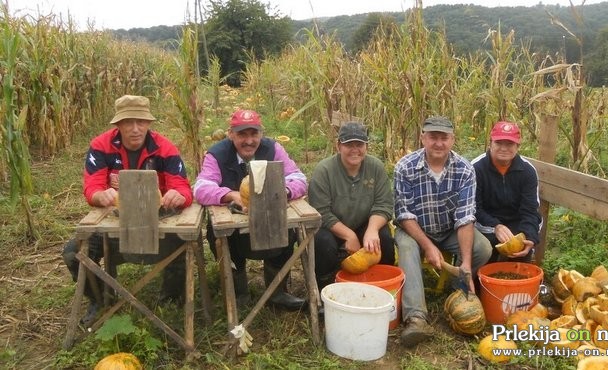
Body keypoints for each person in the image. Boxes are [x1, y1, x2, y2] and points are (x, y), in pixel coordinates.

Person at [62, 95, 193, 325]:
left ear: (148, 123)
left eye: (141, 122)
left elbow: (182, 186)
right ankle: (100, 298)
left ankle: (170, 299)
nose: (135, 129)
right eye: (128, 122)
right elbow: (92, 186)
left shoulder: (165, 148)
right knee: (74, 251)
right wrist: (99, 195)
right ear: (118, 124)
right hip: (115, 224)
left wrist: (178, 195)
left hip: (159, 224)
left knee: (183, 241)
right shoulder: (100, 146)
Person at [393, 116, 492, 347]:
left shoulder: (465, 170)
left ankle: (457, 293)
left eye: (443, 138)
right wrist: (428, 246)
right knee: (407, 248)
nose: (438, 143)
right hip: (413, 229)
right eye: (433, 137)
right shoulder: (405, 167)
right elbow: (404, 214)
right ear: (422, 138)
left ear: (452, 140)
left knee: (482, 248)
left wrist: (466, 262)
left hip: (448, 230)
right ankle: (416, 317)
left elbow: (465, 218)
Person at [193, 109, 307, 311]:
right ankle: (238, 291)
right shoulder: (217, 154)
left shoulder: (273, 149)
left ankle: (277, 291)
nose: (249, 141)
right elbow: (201, 188)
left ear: (261, 134)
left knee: (288, 230)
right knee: (217, 233)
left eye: (254, 134)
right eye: (242, 134)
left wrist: (283, 191)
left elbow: (298, 178)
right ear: (231, 134)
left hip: (270, 221)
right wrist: (232, 195)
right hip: (235, 227)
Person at [308, 122, 395, 293]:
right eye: (349, 144)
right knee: (322, 241)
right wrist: (349, 235)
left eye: (359, 144)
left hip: (364, 224)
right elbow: (322, 212)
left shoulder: (375, 167)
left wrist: (372, 230)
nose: (355, 149)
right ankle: (326, 288)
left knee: (383, 237)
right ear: (339, 145)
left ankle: (381, 286)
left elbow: (384, 204)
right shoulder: (324, 170)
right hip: (331, 228)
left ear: (366, 146)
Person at [471, 121, 541, 262]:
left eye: (509, 144)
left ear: (517, 146)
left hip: (516, 222)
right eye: (499, 143)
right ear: (490, 143)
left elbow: (530, 210)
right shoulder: (476, 169)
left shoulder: (527, 171)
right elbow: (474, 208)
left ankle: (517, 280)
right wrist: (496, 226)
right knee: (485, 251)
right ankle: (476, 282)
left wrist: (529, 236)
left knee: (522, 251)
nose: (504, 148)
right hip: (485, 224)